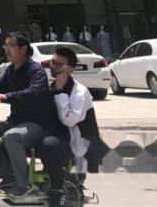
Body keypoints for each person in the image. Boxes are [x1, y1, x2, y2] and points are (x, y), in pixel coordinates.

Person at [0, 32, 59, 200]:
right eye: (5, 45)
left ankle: (24, 186)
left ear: (23, 49)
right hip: (17, 121)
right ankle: (10, 177)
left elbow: (34, 92)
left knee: (12, 137)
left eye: (11, 45)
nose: (7, 49)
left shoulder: (35, 70)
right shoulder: (11, 70)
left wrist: (6, 97)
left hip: (38, 123)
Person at [44, 46, 109, 206]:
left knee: (70, 193)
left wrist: (60, 91)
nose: (53, 66)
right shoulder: (51, 86)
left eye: (58, 64)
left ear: (70, 70)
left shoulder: (79, 92)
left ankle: (73, 192)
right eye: (52, 62)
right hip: (61, 140)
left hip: (78, 147)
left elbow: (69, 120)